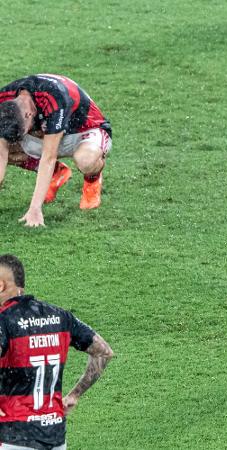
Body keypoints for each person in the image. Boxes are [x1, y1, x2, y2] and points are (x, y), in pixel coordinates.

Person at [0, 254, 113, 449]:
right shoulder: (60, 316)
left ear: (1, 285)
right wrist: (75, 395)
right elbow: (104, 352)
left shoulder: (4, 320)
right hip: (55, 438)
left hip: (13, 437)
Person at [0, 74, 112, 227]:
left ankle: (92, 179)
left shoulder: (55, 98)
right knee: (9, 147)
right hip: (48, 133)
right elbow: (1, 154)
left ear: (28, 114)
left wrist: (35, 209)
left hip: (84, 131)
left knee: (85, 160)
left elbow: (48, 157)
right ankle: (57, 173)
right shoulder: (4, 98)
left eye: (21, 132)